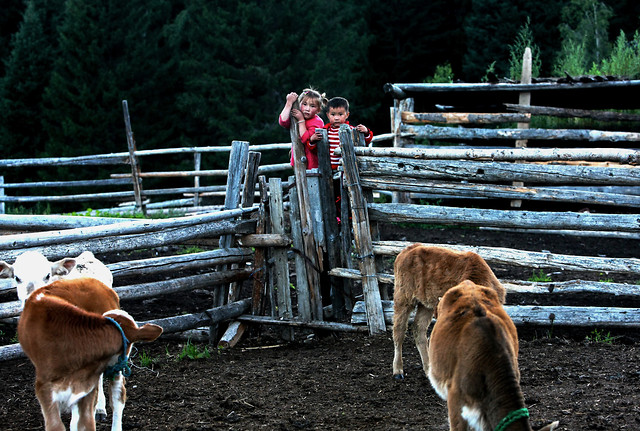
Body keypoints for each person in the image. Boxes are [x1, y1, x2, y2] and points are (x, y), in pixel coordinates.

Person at [319, 96, 373, 171]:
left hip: (347, 168)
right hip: (328, 169)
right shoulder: (325, 131)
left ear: (347, 115)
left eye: (340, 114)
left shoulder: (350, 130)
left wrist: (366, 132)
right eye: (333, 114)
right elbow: (317, 148)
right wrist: (313, 140)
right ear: (328, 115)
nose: (336, 118)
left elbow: (366, 141)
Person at [278, 88, 327, 169]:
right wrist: (289, 103)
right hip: (298, 161)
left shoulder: (317, 122)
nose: (307, 109)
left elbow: (305, 139)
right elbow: (283, 121)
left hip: (312, 165)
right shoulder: (296, 116)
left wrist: (301, 120)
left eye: (312, 106)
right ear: (299, 104)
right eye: (304, 104)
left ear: (318, 110)